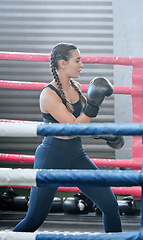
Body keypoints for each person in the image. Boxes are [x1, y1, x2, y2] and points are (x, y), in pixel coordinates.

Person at [13, 43, 122, 233]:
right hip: (50, 158)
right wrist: (94, 105)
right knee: (34, 219)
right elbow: (71, 128)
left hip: (76, 156)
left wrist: (104, 134)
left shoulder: (76, 87)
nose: (82, 65)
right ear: (63, 63)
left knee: (110, 206)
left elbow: (83, 122)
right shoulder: (48, 94)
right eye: (77, 60)